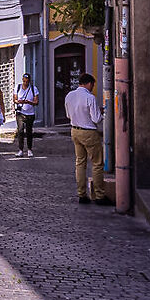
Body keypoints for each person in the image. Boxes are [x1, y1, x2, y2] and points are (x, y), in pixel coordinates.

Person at [66, 76, 105, 204]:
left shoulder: (69, 96)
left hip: (75, 130)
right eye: (92, 85)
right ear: (88, 84)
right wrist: (101, 113)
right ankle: (99, 195)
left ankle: (81, 194)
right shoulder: (90, 98)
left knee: (80, 163)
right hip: (89, 132)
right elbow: (96, 119)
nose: (93, 88)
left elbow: (68, 115)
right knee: (97, 164)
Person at [14, 75, 39, 154]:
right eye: (24, 81)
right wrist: (19, 101)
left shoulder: (33, 89)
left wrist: (29, 102)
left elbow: (36, 102)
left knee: (29, 131)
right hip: (20, 112)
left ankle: (29, 149)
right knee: (20, 131)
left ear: (29, 81)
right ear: (22, 80)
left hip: (30, 113)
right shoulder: (17, 87)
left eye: (27, 81)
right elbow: (14, 99)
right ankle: (20, 149)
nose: (25, 83)